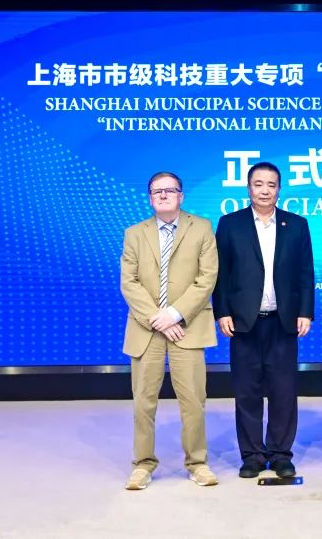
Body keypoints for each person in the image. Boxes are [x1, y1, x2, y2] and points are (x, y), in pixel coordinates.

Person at [213, 162, 315, 479]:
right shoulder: (230, 224)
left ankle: (281, 454)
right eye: (258, 184)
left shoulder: (296, 224)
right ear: (248, 188)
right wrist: (222, 311)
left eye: (271, 185)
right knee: (247, 391)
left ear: (279, 189)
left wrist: (305, 311)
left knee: (284, 391)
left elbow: (305, 273)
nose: (265, 190)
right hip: (244, 321)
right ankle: (253, 455)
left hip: (283, 321)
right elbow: (221, 273)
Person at [119, 171, 219, 490]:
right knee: (143, 401)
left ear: (181, 196)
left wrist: (175, 314)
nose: (163, 195)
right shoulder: (135, 233)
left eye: (169, 190)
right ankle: (142, 464)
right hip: (146, 329)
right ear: (150, 198)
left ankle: (197, 462)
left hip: (187, 326)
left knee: (193, 401)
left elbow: (207, 278)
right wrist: (157, 317)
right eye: (156, 191)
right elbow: (129, 282)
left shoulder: (202, 228)